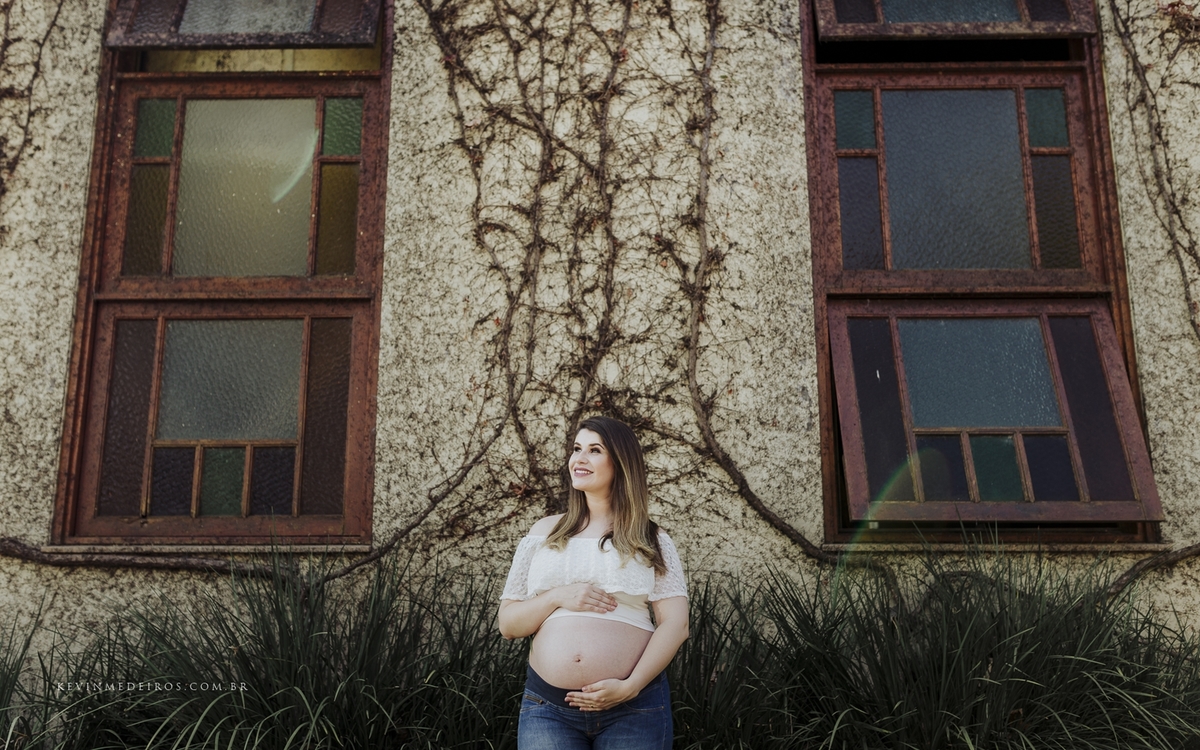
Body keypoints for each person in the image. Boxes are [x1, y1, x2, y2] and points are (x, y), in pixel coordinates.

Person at [498, 416, 689, 749]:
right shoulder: (543, 533)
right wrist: (558, 596)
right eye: (576, 449)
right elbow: (509, 625)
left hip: (634, 707)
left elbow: (676, 624)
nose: (579, 459)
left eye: (594, 450)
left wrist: (631, 686)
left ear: (620, 463)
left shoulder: (650, 538)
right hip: (548, 709)